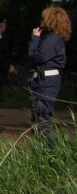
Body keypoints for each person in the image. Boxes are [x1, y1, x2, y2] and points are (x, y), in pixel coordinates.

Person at [29, 7, 72, 135]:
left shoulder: (51, 38)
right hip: (45, 81)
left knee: (42, 118)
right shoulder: (52, 37)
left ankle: (48, 151)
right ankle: (44, 149)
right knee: (40, 117)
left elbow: (37, 57)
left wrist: (34, 39)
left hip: (45, 82)